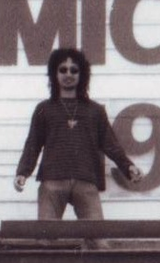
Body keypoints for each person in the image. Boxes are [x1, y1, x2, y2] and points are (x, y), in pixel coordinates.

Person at [14, 47, 140, 219]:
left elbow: (110, 143)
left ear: (82, 75)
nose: (68, 74)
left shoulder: (95, 110)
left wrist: (128, 166)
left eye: (74, 70)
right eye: (62, 70)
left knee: (96, 239)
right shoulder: (44, 109)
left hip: (86, 181)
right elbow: (33, 144)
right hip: (52, 181)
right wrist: (22, 172)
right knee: (46, 239)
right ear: (54, 74)